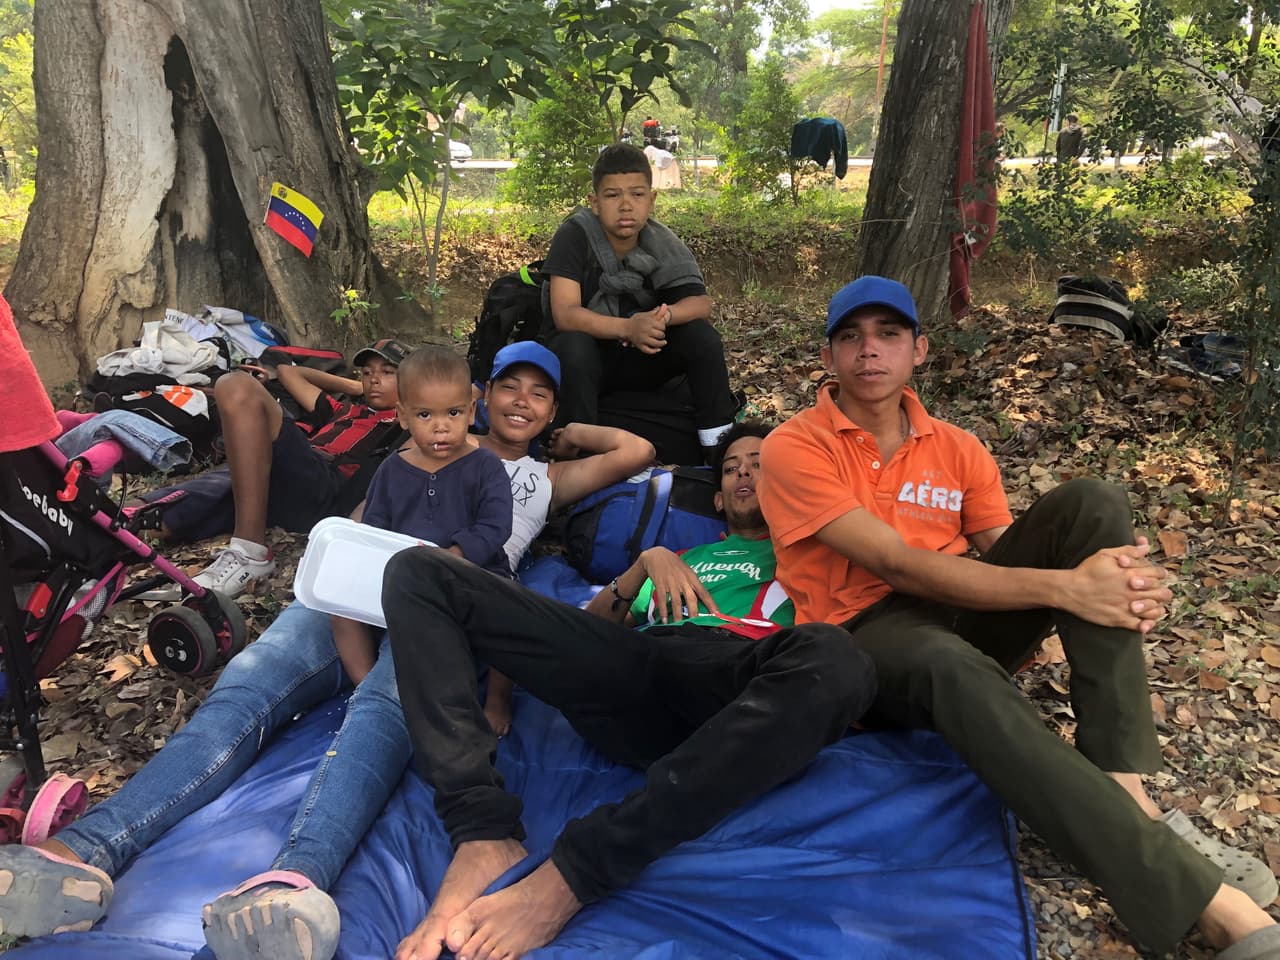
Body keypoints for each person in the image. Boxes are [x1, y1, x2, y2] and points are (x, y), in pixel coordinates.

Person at [0, 343, 654, 960]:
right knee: (246, 691)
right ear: (476, 396)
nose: (520, 401)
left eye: (540, 394)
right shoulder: (420, 447)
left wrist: (573, 435)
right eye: (507, 386)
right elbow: (363, 524)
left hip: (454, 603)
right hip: (366, 579)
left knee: (380, 708)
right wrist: (352, 576)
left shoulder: (542, 475)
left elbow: (633, 450)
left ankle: (293, 883)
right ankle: (83, 850)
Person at [755, 275, 1280, 960]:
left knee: (1092, 504)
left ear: (919, 349)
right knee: (954, 660)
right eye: (850, 337)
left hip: (960, 611)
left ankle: (1123, 788)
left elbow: (1003, 554)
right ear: (828, 359)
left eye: (888, 334)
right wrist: (1068, 591)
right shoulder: (796, 446)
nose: (869, 351)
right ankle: (1208, 904)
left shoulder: (957, 447)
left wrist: (1117, 587)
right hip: (865, 639)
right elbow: (898, 565)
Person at [383, 421, 876, 960]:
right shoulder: (687, 557)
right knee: (416, 572)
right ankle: (481, 832)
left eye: (760, 463)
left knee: (839, 659)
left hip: (735, 680)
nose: (744, 473)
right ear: (716, 496)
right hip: (635, 667)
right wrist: (645, 564)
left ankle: (575, 873)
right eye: (732, 466)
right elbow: (595, 630)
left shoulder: (817, 553)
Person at [143, 338, 412, 597]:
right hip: (280, 474)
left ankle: (251, 552)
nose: (374, 379)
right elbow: (287, 372)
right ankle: (110, 542)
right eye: (367, 372)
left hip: (323, 485)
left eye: (388, 372)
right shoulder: (343, 410)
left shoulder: (408, 423)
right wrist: (356, 387)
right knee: (148, 512)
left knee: (236, 385)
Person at [542, 143, 737, 462]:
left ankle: (718, 449)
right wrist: (628, 327)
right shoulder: (574, 235)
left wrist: (663, 316)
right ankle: (578, 457)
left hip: (641, 358)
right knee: (574, 345)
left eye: (636, 194)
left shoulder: (663, 243)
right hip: (586, 364)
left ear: (652, 200)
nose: (625, 206)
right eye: (612, 195)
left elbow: (701, 304)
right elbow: (565, 314)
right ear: (594, 202)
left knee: (701, 337)